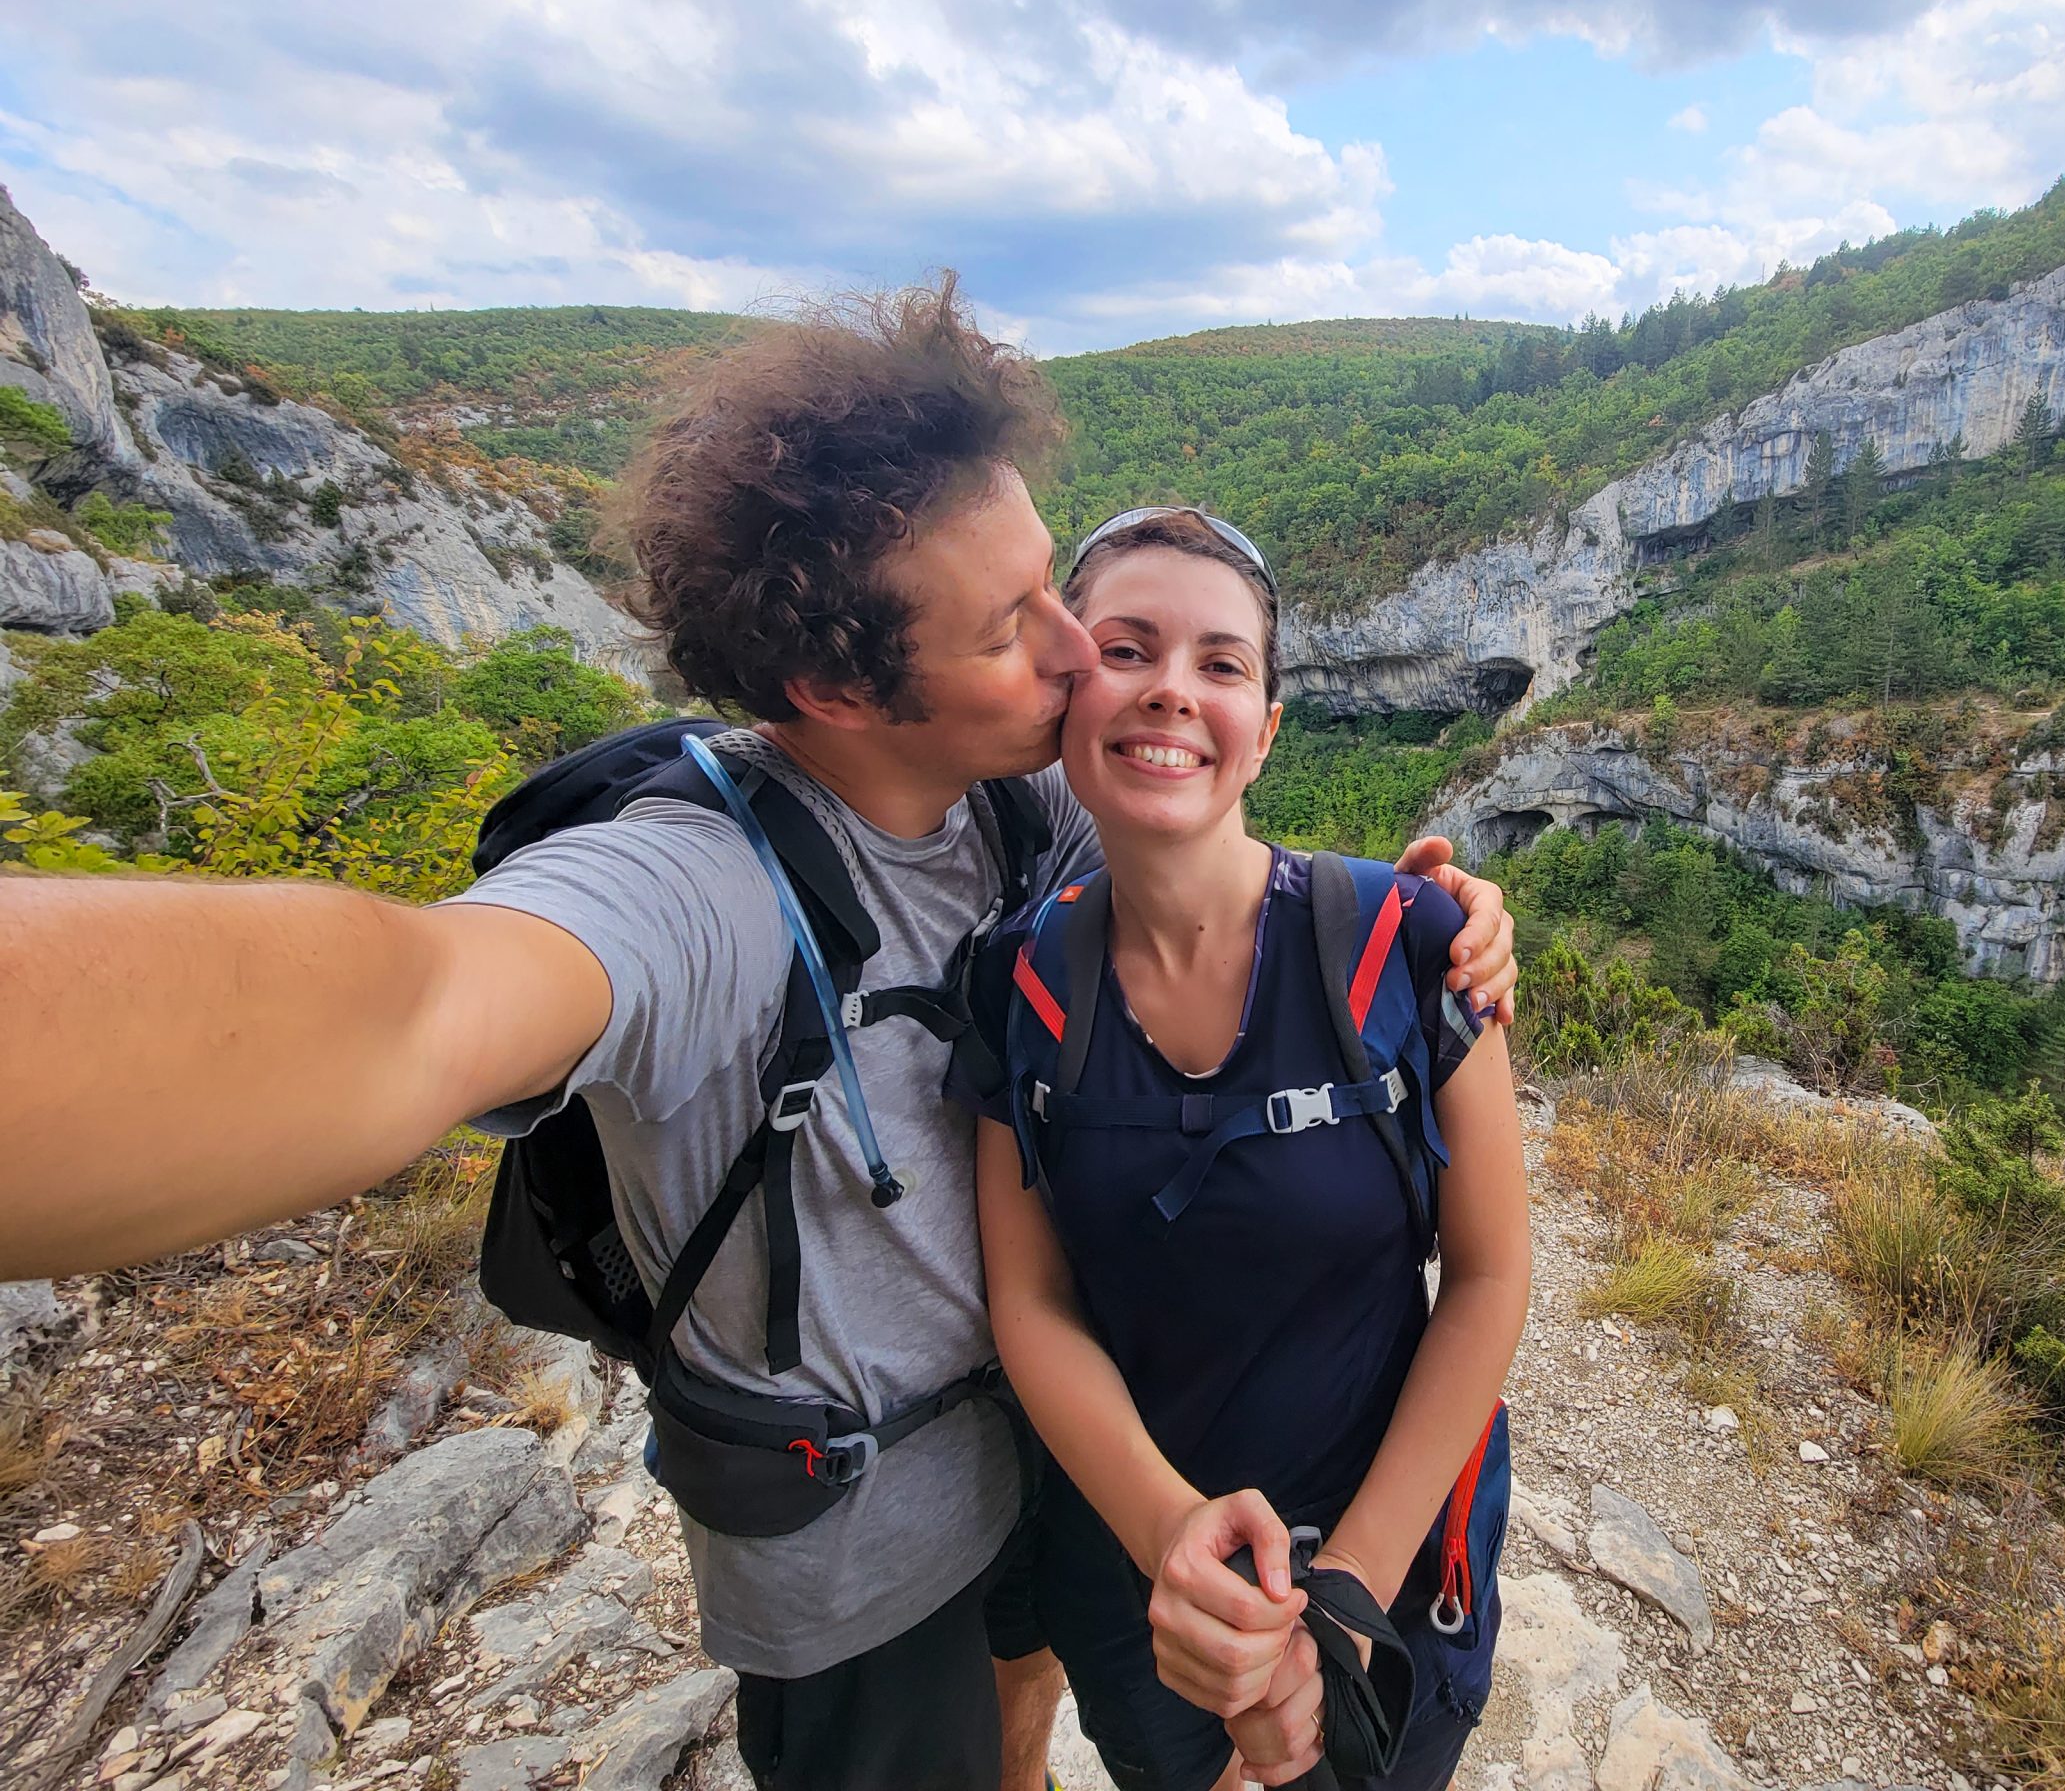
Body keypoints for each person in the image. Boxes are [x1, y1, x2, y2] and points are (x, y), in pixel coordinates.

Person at [0, 284, 1518, 1791]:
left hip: (1057, 1473)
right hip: (862, 1560)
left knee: (1023, 1721)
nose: (1076, 658)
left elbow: (1207, 831)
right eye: (1016, 627)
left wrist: (1433, 911)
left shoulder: (1020, 792)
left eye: (1059, 591)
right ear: (839, 687)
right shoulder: (694, 888)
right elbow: (409, 1006)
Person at [975, 509, 1531, 1791]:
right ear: (1067, 696)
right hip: (1132, 1582)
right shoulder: (1013, 983)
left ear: (1268, 727)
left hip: (1385, 1562)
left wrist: (1337, 1607)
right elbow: (1033, 1298)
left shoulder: (1408, 942)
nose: (1172, 689)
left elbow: (1491, 1278)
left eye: (1221, 665)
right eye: (1126, 649)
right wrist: (1171, 1540)